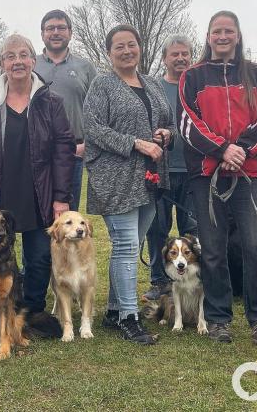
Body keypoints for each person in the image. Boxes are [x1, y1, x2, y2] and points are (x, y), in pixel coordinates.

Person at [177, 10, 257, 344]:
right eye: (216, 31)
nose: (222, 36)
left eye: (228, 31)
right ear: (208, 37)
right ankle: (219, 319)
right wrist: (222, 149)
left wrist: (242, 151)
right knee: (214, 250)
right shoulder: (192, 76)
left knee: (253, 246)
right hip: (206, 176)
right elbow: (188, 123)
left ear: (237, 35)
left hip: (248, 176)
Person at [0, 33, 75, 317]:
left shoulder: (51, 102)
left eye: (23, 55)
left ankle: (32, 311)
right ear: (2, 63)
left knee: (39, 257)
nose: (17, 61)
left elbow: (64, 149)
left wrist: (61, 198)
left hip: (40, 191)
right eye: (10, 56)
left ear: (33, 60)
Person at [83, 24, 172, 345]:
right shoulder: (102, 85)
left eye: (131, 45)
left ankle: (113, 309)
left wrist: (166, 135)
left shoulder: (151, 84)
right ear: (109, 53)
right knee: (124, 245)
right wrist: (136, 143)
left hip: (149, 179)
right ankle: (130, 318)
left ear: (140, 48)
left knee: (131, 245)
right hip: (114, 179)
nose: (126, 51)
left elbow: (168, 121)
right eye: (119, 46)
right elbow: (93, 128)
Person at [142, 35, 198, 301]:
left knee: (193, 228)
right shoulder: (153, 88)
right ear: (164, 58)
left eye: (184, 54)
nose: (180, 58)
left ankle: (194, 278)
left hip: (193, 171)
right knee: (157, 228)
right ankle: (159, 280)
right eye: (174, 54)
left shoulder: (198, 86)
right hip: (161, 171)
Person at [34, 9, 97, 211]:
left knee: (67, 216)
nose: (56, 32)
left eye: (61, 27)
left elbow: (97, 111)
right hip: (34, 154)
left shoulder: (85, 68)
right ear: (42, 33)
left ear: (70, 32)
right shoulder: (30, 65)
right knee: (35, 214)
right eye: (50, 28)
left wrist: (85, 145)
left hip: (72, 153)